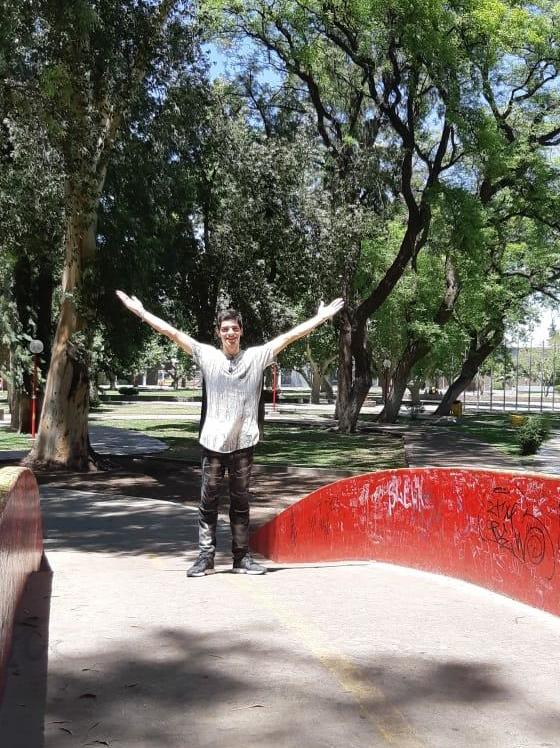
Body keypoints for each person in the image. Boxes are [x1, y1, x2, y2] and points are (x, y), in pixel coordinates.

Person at [116, 290, 344, 577]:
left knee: (241, 502)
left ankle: (241, 558)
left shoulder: (258, 356)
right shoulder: (207, 355)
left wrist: (321, 318)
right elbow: (171, 332)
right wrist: (141, 312)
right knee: (207, 502)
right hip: (213, 442)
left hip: (244, 442)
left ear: (241, 331)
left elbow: (291, 336)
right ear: (218, 333)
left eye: (234, 328)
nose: (230, 333)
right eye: (225, 329)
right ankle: (205, 557)